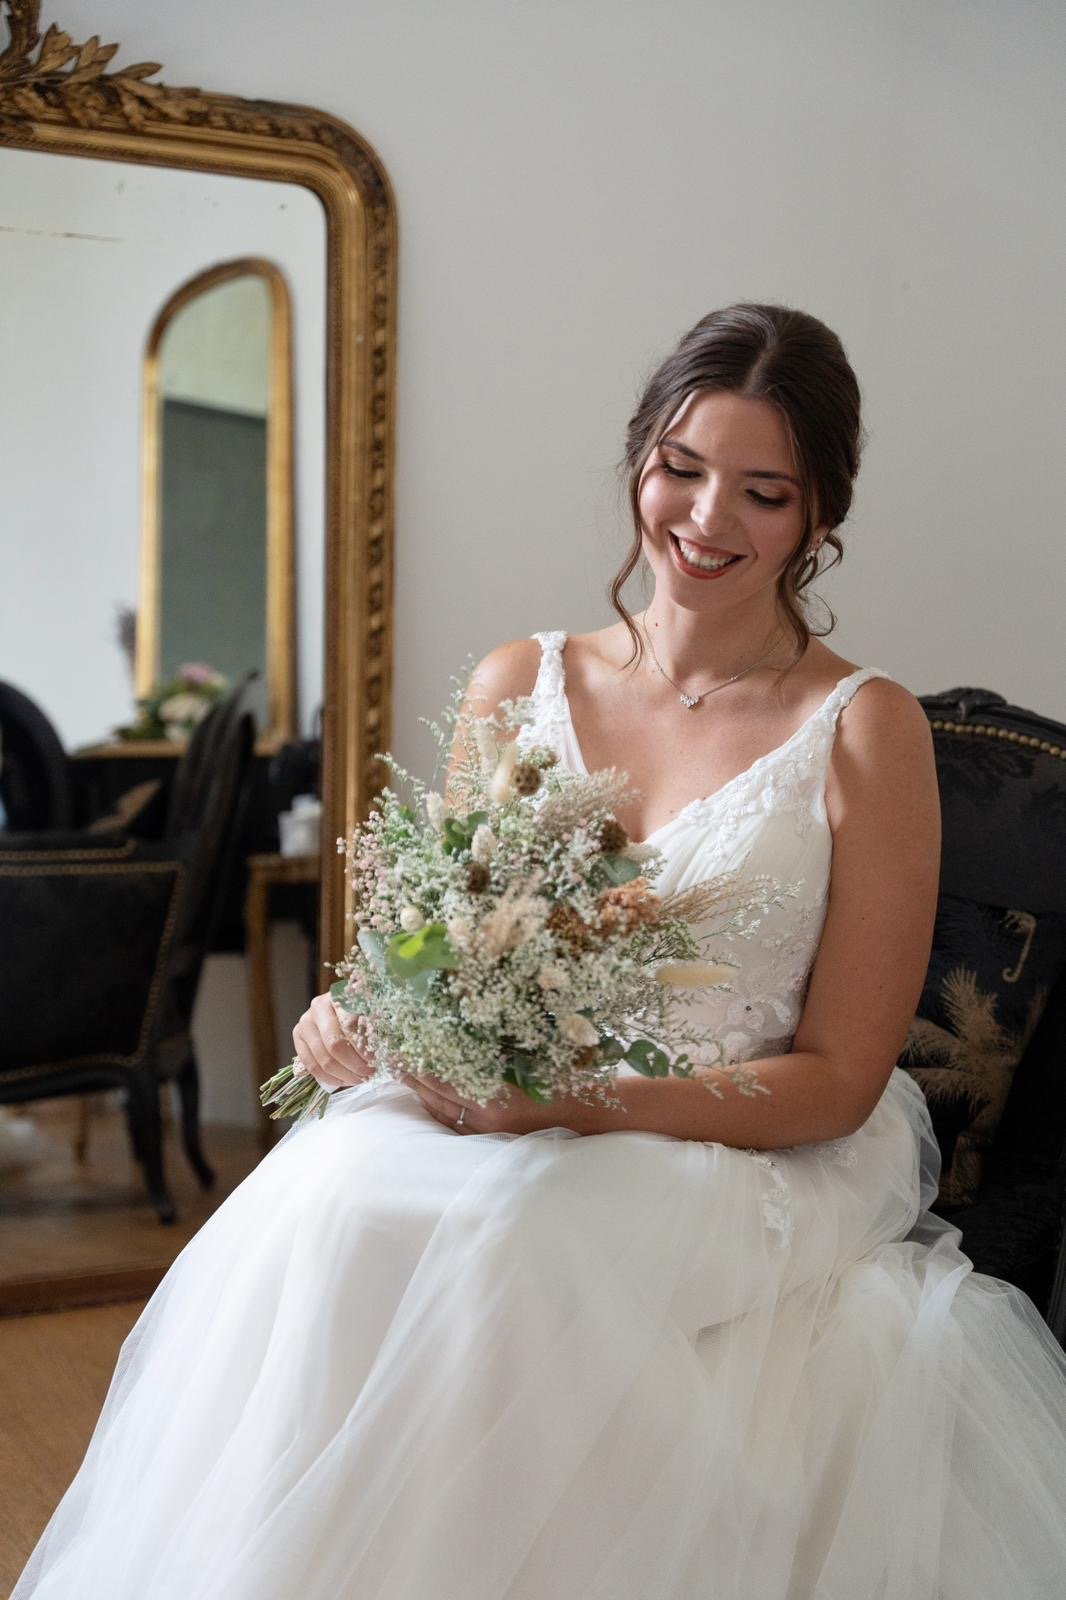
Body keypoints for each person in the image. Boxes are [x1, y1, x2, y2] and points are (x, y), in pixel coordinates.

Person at [15, 304, 1066, 1599]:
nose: (707, 520)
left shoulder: (864, 726)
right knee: (335, 1197)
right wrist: (361, 1008)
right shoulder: (519, 682)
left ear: (819, 517)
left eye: (764, 492)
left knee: (516, 1241)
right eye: (681, 469)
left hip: (739, 1137)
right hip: (507, 1102)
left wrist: (573, 1103)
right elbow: (443, 947)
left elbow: (841, 1079)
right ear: (638, 460)